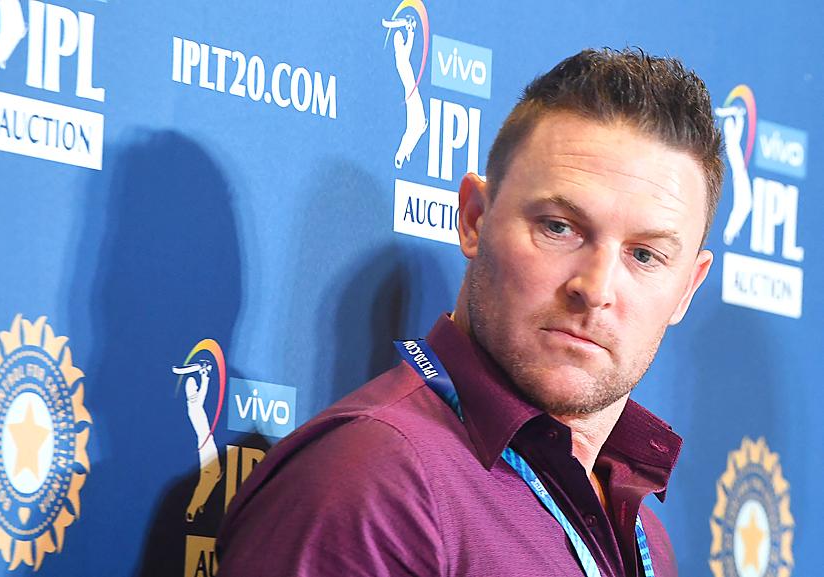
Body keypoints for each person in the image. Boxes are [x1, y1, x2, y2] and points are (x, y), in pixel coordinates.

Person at [217, 47, 724, 577]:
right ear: (475, 219)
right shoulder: (372, 482)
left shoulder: (643, 533)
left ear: (687, 289)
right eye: (559, 228)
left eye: (645, 255)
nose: (595, 289)